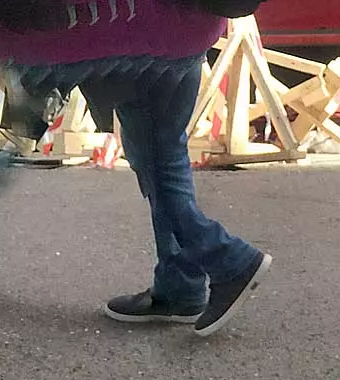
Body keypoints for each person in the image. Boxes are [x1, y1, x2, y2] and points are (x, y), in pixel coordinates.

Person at [79, 57, 273, 337]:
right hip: (182, 45)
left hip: (145, 52)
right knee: (166, 154)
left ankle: (228, 258)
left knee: (155, 158)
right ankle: (180, 286)